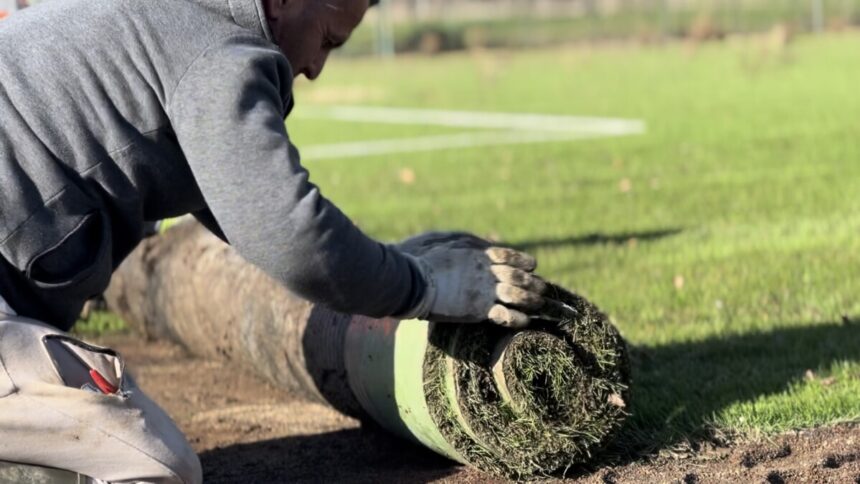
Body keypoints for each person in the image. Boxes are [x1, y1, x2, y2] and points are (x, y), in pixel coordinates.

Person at [0, 0, 547, 481]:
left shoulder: (175, 16)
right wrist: (426, 285)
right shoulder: (215, 50)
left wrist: (390, 264)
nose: (314, 67)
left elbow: (255, 213)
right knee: (152, 467)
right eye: (328, 40)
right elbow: (294, 238)